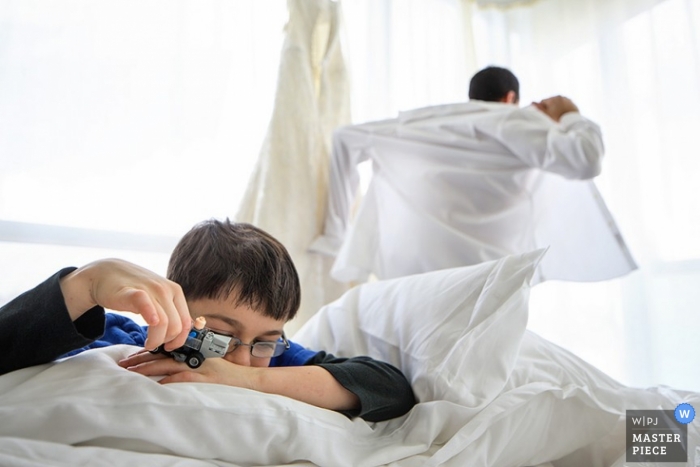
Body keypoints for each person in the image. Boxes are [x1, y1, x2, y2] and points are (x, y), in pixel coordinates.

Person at [0, 219, 416, 422]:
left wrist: (248, 380)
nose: (240, 357)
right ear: (174, 305)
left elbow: (388, 387)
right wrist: (86, 284)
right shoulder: (118, 337)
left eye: (267, 339)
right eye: (221, 335)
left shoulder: (269, 359)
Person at [310, 66, 636, 283]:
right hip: (485, 277)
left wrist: (335, 233)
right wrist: (569, 115)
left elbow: (344, 138)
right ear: (510, 99)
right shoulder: (513, 119)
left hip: (409, 276)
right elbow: (586, 160)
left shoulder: (423, 122)